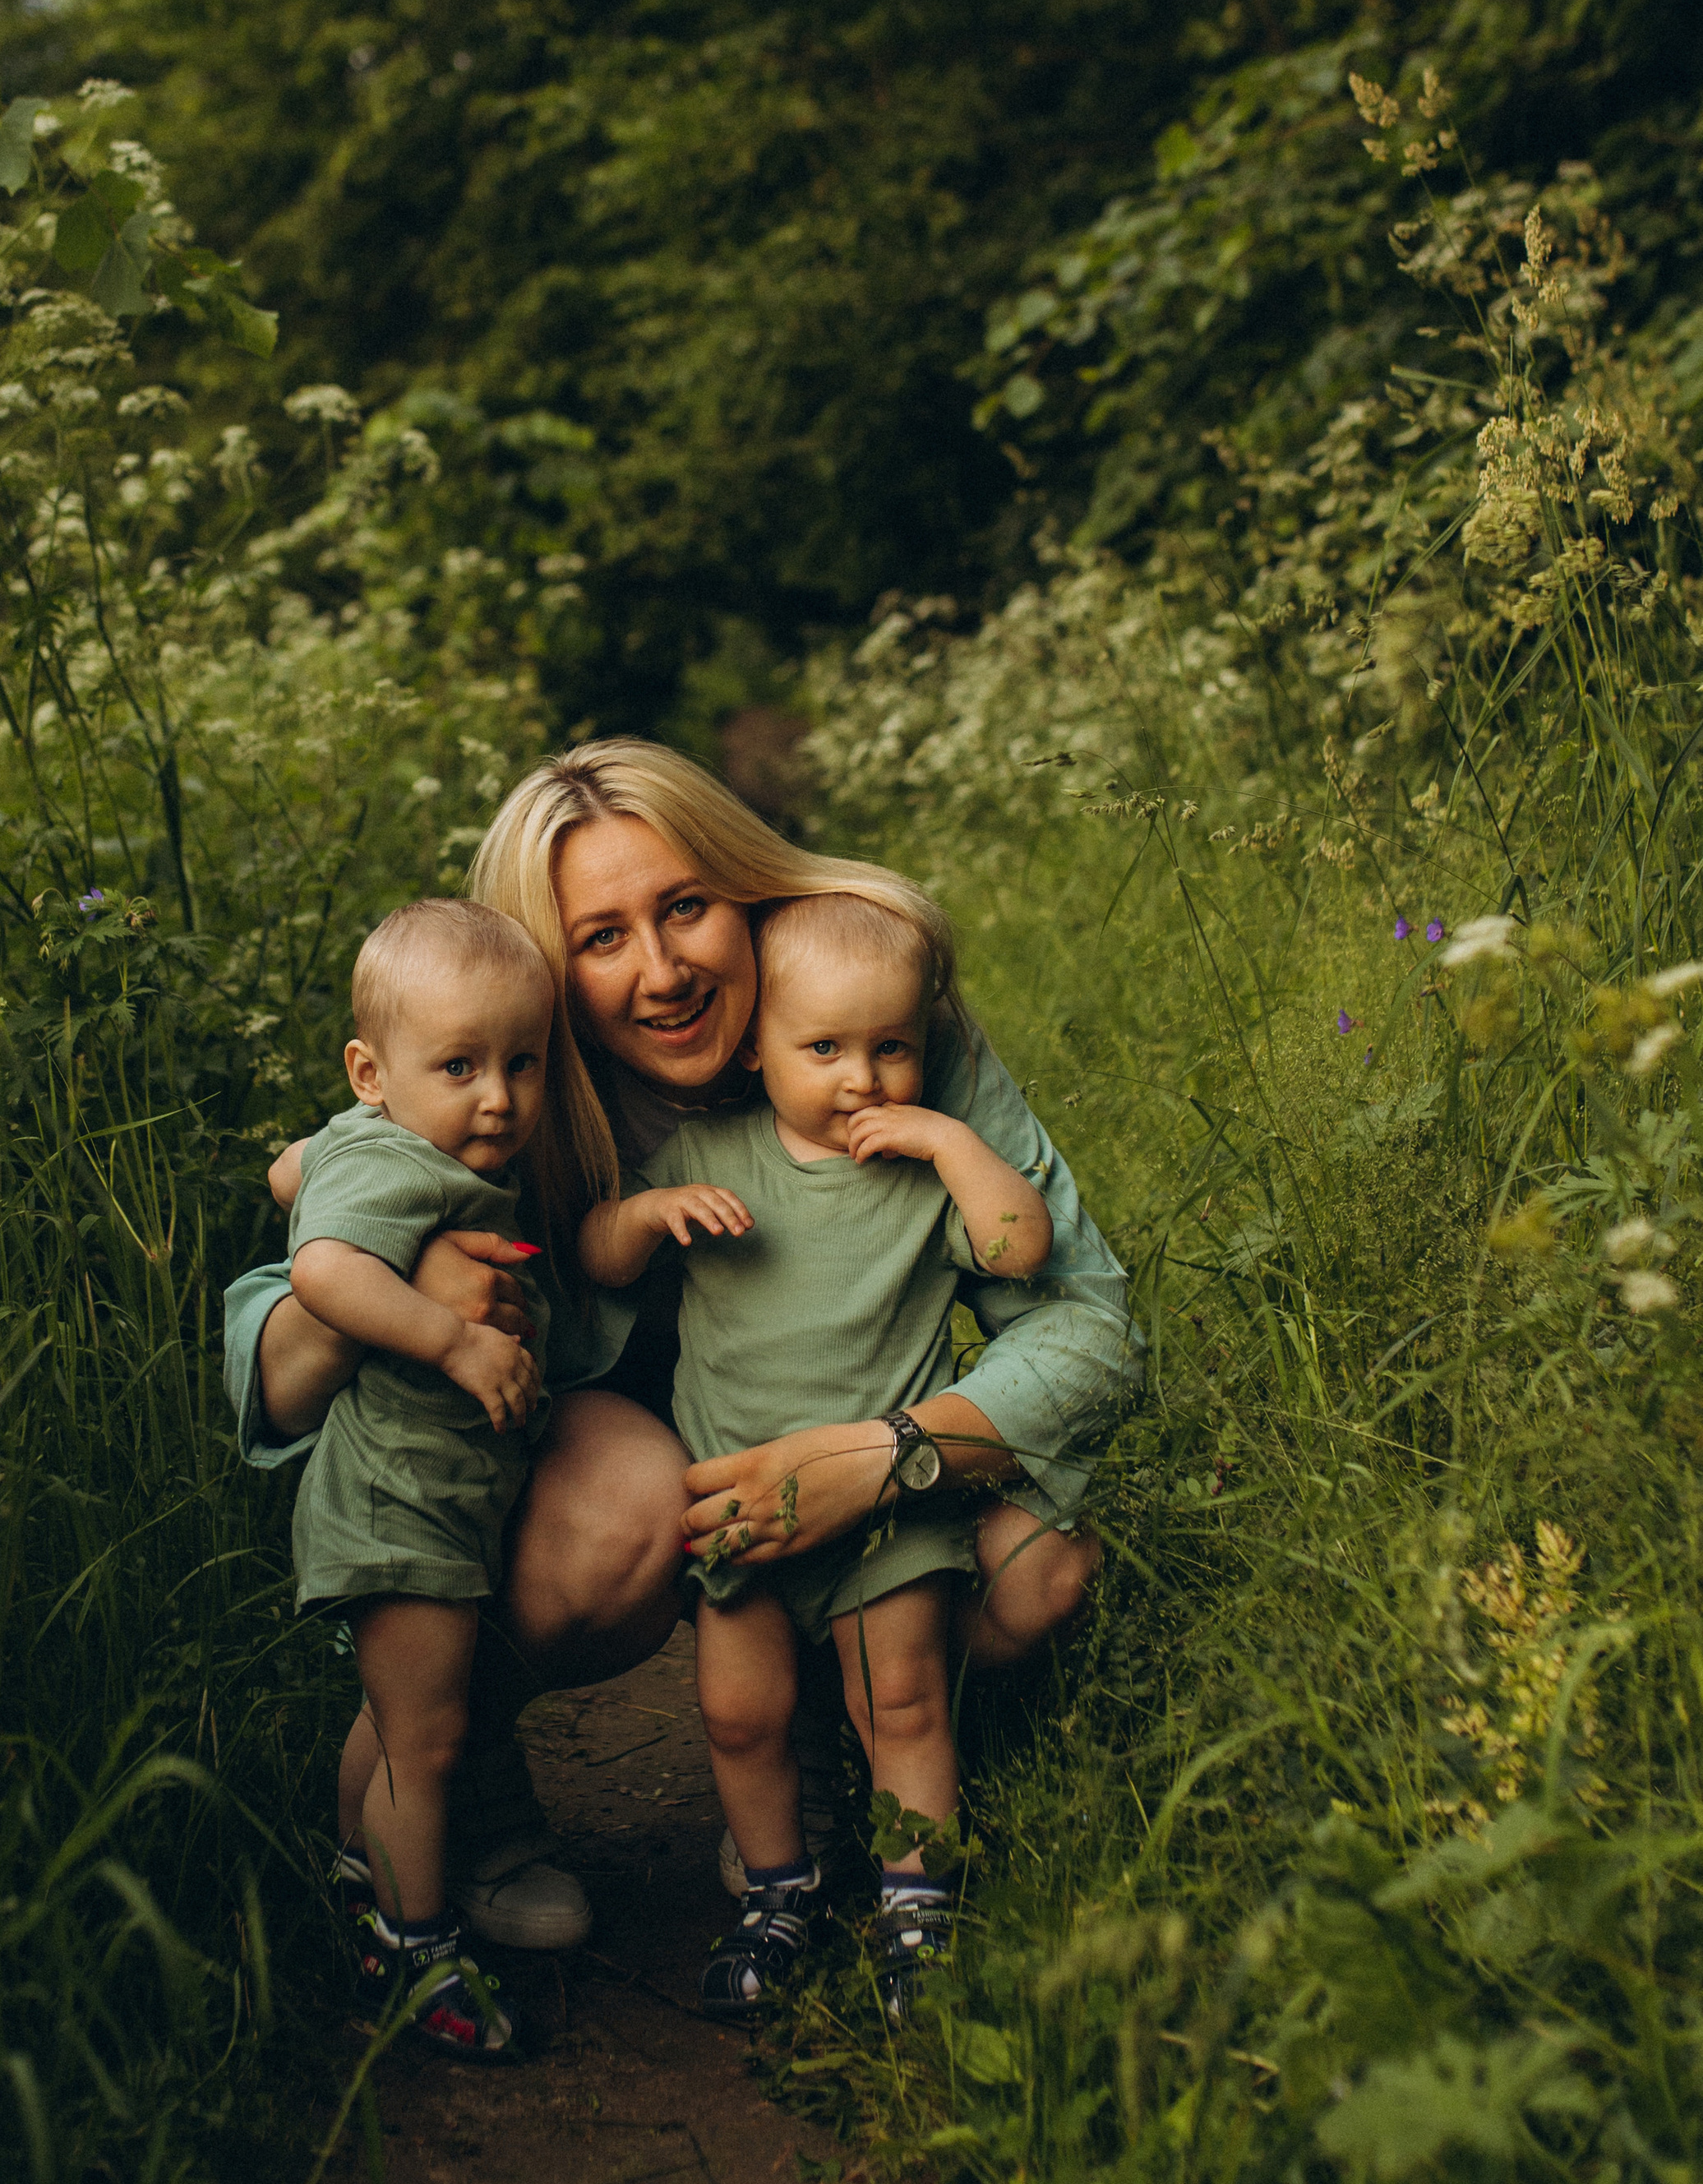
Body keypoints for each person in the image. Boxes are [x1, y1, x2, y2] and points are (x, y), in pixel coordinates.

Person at [223, 740, 1141, 1951]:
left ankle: (836, 1728)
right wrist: (408, 1293)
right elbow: (281, 1339)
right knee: (626, 1507)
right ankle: (448, 1767)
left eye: (687, 908)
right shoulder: (509, 1078)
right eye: (601, 939)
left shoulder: (869, 1028)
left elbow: (1088, 1324)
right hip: (612, 1455)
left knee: (1042, 1568)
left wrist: (891, 1453)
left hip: (837, 1424)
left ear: (744, 893)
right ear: (549, 973)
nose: (660, 972)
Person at [579, 892, 1052, 2018]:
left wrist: (950, 1139)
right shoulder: (709, 1152)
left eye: (892, 1048)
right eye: (825, 1047)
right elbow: (596, 1256)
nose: (863, 1079)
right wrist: (647, 1219)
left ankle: (915, 1902)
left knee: (901, 1701)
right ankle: (779, 1893)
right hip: (741, 1510)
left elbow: (1019, 1247)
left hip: (885, 1510)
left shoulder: (922, 1173)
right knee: (740, 1715)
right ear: (755, 1047)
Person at [280, 897, 598, 2057]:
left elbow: (289, 1174)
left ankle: (356, 1874)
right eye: (458, 1064)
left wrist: (332, 1156)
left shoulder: (388, 1142)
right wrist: (455, 1338)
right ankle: (409, 1954)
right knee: (428, 1742)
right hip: (399, 1505)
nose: (499, 1096)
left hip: (441, 1504)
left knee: (397, 1719)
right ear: (371, 1069)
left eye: (522, 1062)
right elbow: (320, 1269)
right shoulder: (396, 1158)